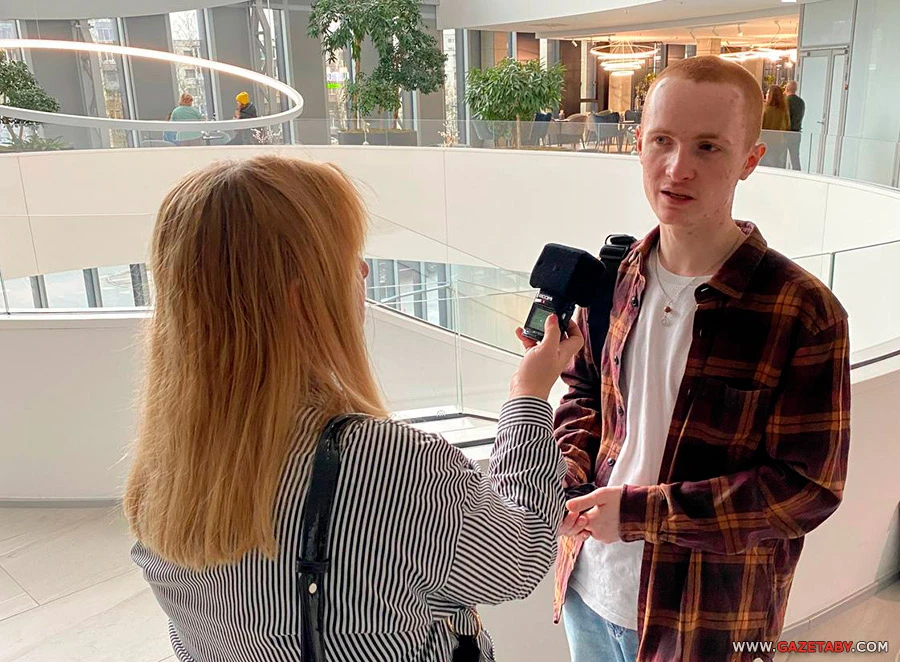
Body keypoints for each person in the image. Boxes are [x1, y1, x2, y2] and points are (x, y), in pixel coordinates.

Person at [125, 154, 583, 661]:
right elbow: (519, 556)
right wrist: (528, 394)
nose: (363, 270)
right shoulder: (388, 462)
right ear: (300, 297)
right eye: (345, 256)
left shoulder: (162, 473)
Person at [552, 56, 850, 662]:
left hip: (707, 620)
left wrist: (640, 514)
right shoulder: (616, 280)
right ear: (638, 143)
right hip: (588, 589)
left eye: (708, 147)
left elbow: (806, 489)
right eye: (662, 140)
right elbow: (585, 395)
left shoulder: (800, 310)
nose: (677, 167)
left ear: (750, 160)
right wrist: (569, 475)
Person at [761, 84, 791, 168]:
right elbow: (787, 127)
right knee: (777, 165)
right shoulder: (783, 111)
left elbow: (761, 126)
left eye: (768, 92)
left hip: (765, 141)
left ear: (770, 95)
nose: (766, 94)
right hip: (779, 142)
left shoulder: (765, 110)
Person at [785, 80, 806, 171]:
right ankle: (797, 173)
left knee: (782, 156)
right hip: (797, 133)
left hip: (785, 133)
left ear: (787, 89)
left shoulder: (786, 101)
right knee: (795, 157)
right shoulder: (801, 102)